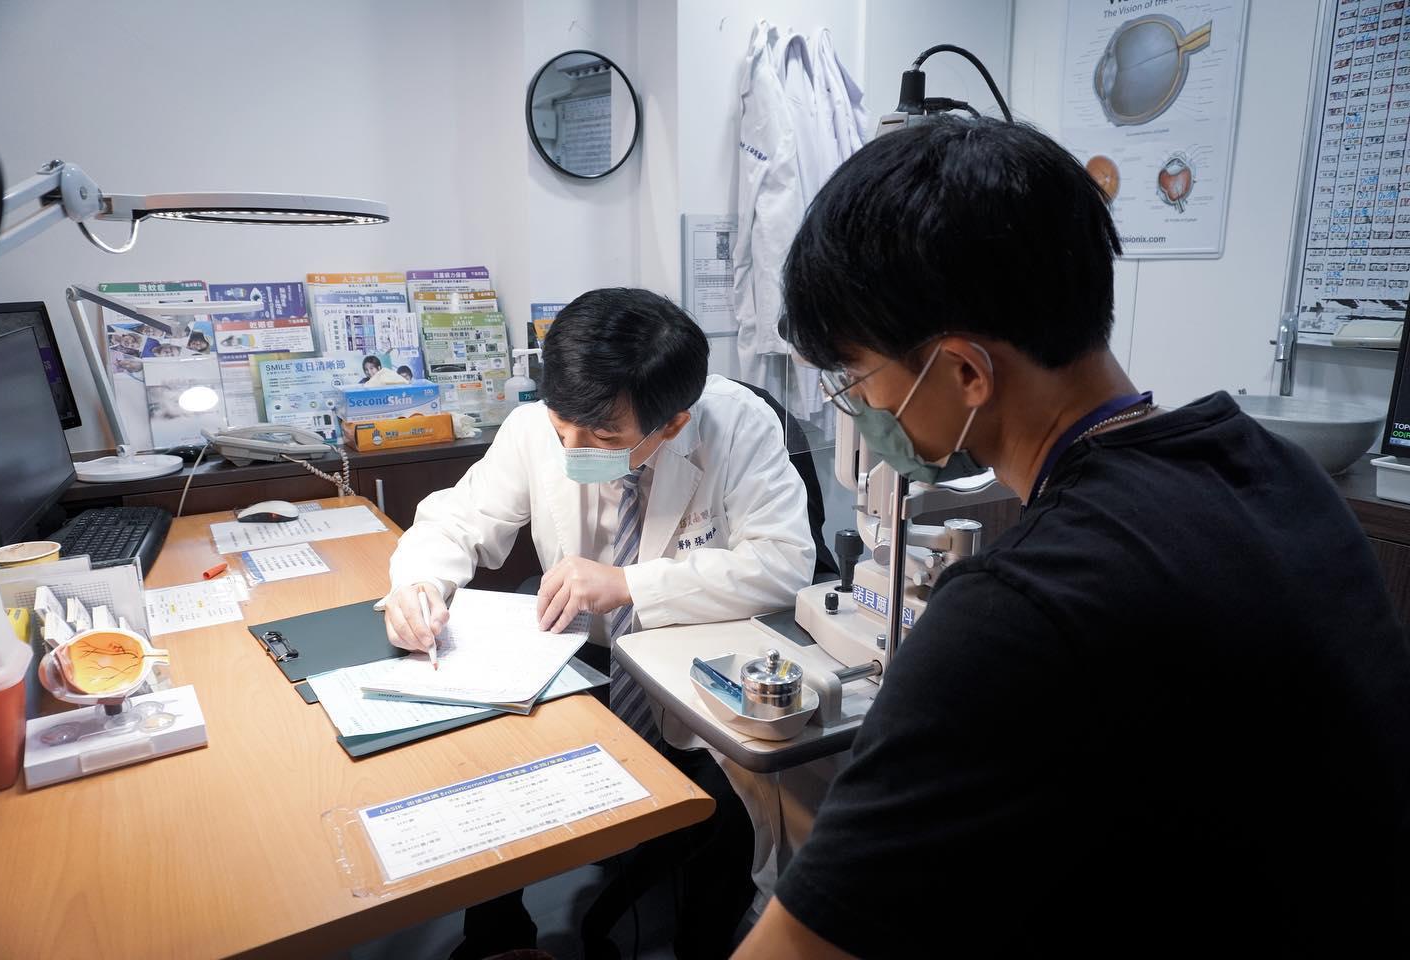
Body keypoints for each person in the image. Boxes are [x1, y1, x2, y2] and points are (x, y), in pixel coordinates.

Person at [733, 116, 1410, 958]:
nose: (861, 407)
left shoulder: (1018, 611)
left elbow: (795, 950)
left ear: (965, 371)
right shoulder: (1279, 473)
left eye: (859, 377)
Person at [384, 287, 816, 958]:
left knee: (728, 816)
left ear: (672, 424)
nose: (574, 450)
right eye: (565, 428)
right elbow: (457, 521)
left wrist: (629, 584)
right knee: (486, 755)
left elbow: (783, 563)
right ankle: (499, 939)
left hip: (695, 657)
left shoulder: (738, 425)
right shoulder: (536, 427)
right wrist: (417, 586)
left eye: (604, 438)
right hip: (583, 648)